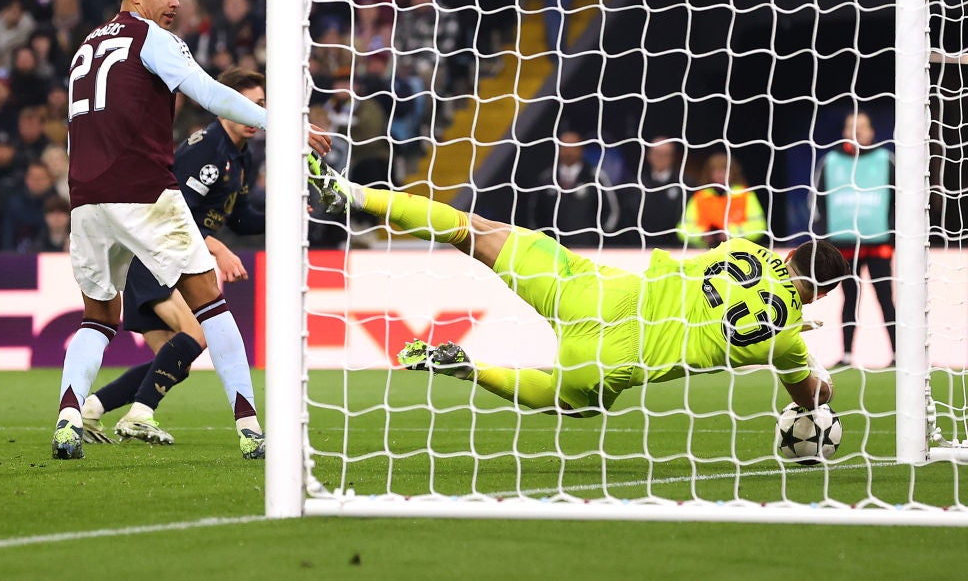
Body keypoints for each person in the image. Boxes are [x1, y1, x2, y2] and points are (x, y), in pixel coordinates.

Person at [307, 154, 848, 416]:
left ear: (792, 251)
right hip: (619, 354)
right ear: (822, 294)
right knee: (573, 406)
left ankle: (352, 194)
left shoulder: (744, 249)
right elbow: (809, 395)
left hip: (603, 291)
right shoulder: (787, 341)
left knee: (474, 231)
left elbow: (727, 281)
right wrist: (816, 376)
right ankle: (470, 367)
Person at [51, 0, 269, 461]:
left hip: (86, 197)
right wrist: (286, 123)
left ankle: (67, 419)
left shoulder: (88, 44)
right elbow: (210, 93)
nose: (175, 2)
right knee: (210, 303)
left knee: (99, 318)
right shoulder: (150, 38)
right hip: (144, 190)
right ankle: (250, 427)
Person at [78, 69, 330, 445]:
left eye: (261, 105)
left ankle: (92, 409)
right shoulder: (205, 149)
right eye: (249, 105)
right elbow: (175, 216)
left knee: (170, 360)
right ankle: (139, 416)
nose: (255, 113)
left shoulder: (240, 156)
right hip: (155, 257)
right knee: (198, 332)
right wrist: (218, 248)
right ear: (224, 104)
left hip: (167, 258)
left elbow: (241, 218)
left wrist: (287, 213)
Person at [813, 111, 896, 367]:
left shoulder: (887, 160)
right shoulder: (831, 162)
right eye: (852, 126)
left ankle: (898, 354)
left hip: (878, 243)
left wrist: (893, 234)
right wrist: (825, 240)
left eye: (862, 126)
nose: (857, 131)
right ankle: (847, 355)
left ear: (871, 132)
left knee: (885, 298)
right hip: (844, 245)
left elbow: (898, 201)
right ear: (844, 132)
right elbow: (819, 204)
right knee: (849, 298)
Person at [526, 129, 620, 248]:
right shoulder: (546, 179)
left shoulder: (595, 177)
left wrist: (596, 238)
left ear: (581, 149)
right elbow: (534, 214)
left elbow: (612, 211)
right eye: (564, 146)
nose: (568, 151)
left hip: (588, 249)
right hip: (554, 249)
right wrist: (544, 241)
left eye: (573, 146)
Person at [678, 152, 766, 249]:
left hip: (738, 252)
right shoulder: (700, 197)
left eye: (724, 170)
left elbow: (759, 226)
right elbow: (682, 229)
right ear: (709, 173)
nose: (720, 174)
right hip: (705, 253)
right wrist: (703, 235)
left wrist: (731, 233)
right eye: (715, 170)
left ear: (733, 172)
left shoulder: (745, 194)